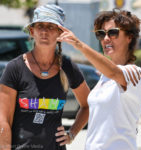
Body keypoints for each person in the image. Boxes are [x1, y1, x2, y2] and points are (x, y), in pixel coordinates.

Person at [0, 4, 90, 150]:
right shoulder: (15, 68)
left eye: (51, 27)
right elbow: (3, 121)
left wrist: (72, 134)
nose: (44, 32)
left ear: (60, 33)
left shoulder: (67, 67)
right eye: (40, 26)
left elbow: (88, 105)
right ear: (32, 31)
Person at [57, 9, 141, 150]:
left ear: (129, 37)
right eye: (101, 34)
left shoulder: (135, 73)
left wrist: (78, 44)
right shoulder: (104, 77)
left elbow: (114, 72)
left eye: (112, 32)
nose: (105, 39)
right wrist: (71, 134)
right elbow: (87, 108)